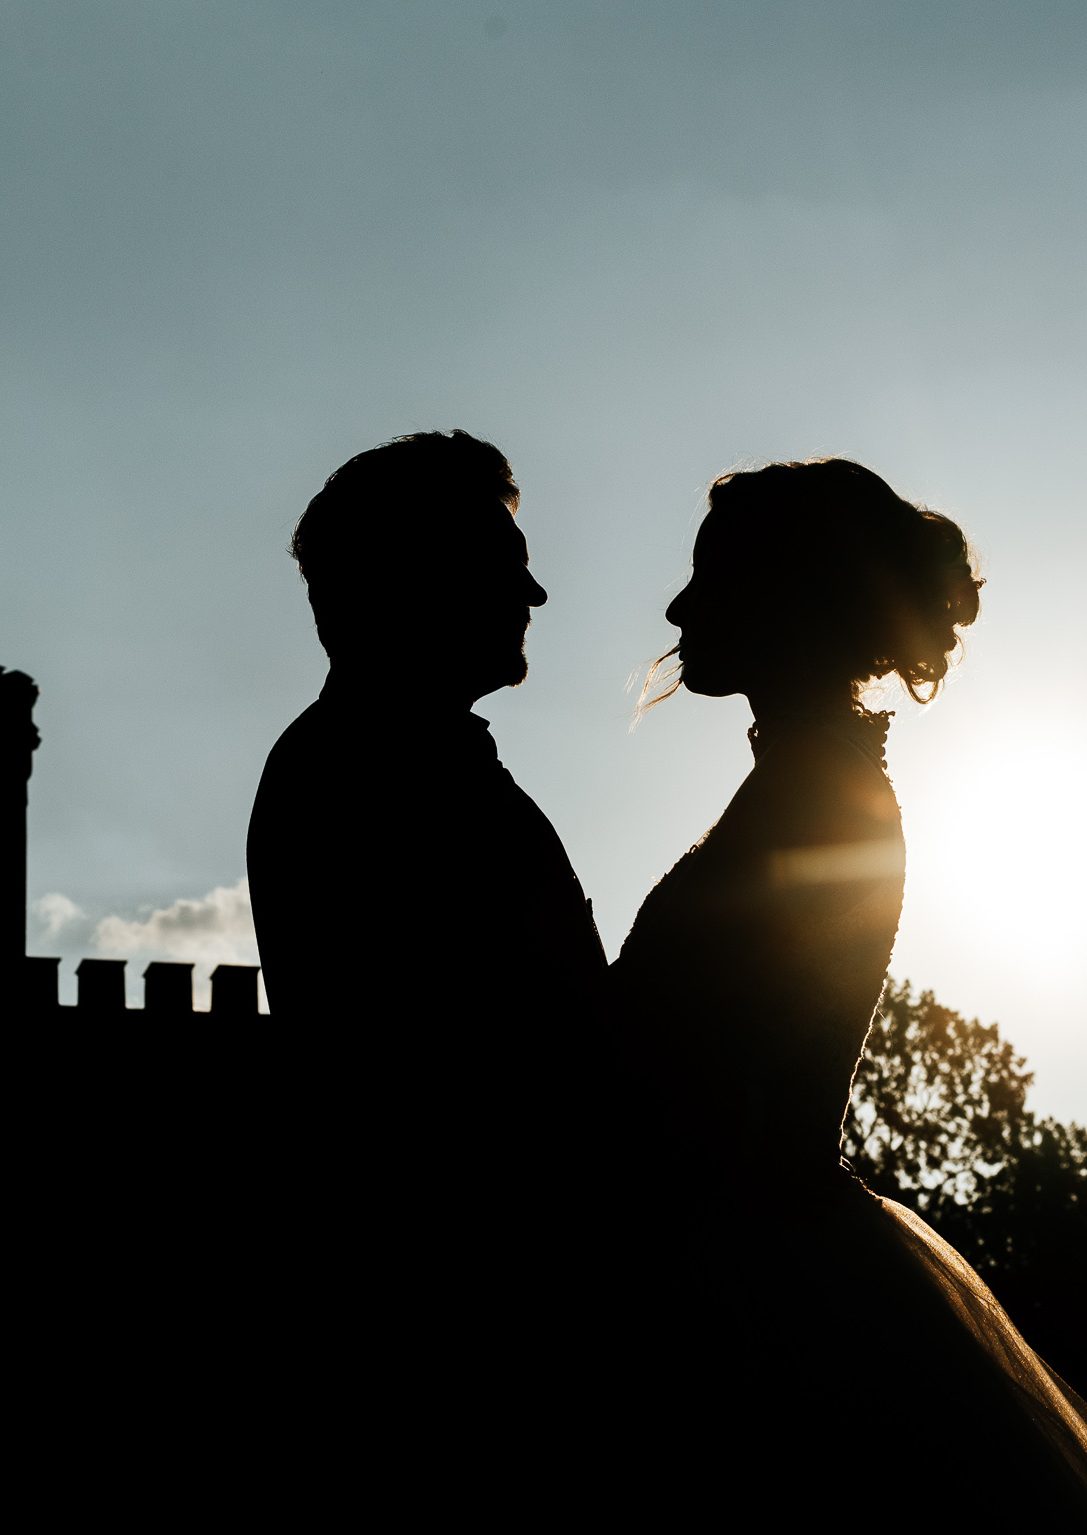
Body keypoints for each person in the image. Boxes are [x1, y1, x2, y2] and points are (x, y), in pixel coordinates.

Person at [612, 458, 1087, 1518]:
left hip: (746, 1291)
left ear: (790, 596)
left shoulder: (815, 798)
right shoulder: (806, 783)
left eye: (711, 576)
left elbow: (716, 1076)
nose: (679, 606)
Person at [247, 428, 606, 1024]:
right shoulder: (370, 775)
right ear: (415, 576)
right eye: (501, 564)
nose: (534, 594)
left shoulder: (378, 757)